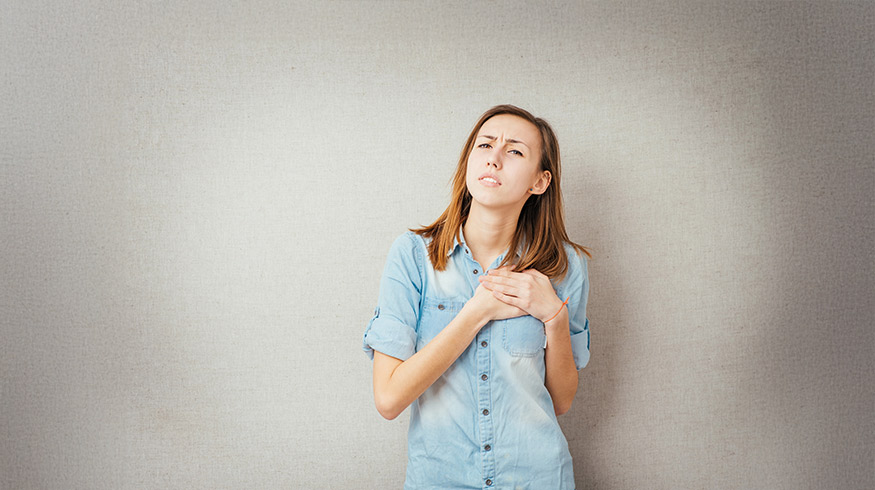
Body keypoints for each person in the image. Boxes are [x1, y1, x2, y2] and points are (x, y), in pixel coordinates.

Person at [362, 104, 591, 489]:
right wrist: (476, 312)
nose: (495, 158)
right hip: (440, 479)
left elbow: (562, 399)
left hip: (538, 478)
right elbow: (389, 399)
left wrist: (555, 318)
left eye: (515, 150)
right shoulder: (413, 256)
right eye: (485, 145)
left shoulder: (566, 266)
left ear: (540, 182)